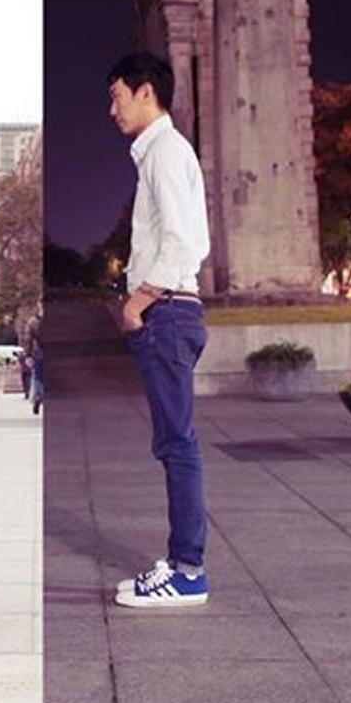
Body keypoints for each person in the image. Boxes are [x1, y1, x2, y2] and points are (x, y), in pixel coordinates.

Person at [107, 52, 211, 609]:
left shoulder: (166, 152)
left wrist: (138, 302)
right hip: (171, 311)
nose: (112, 109)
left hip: (167, 311)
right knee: (175, 441)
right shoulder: (160, 154)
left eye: (118, 96)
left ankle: (189, 570)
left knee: (178, 443)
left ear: (147, 92)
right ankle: (178, 562)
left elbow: (185, 243)